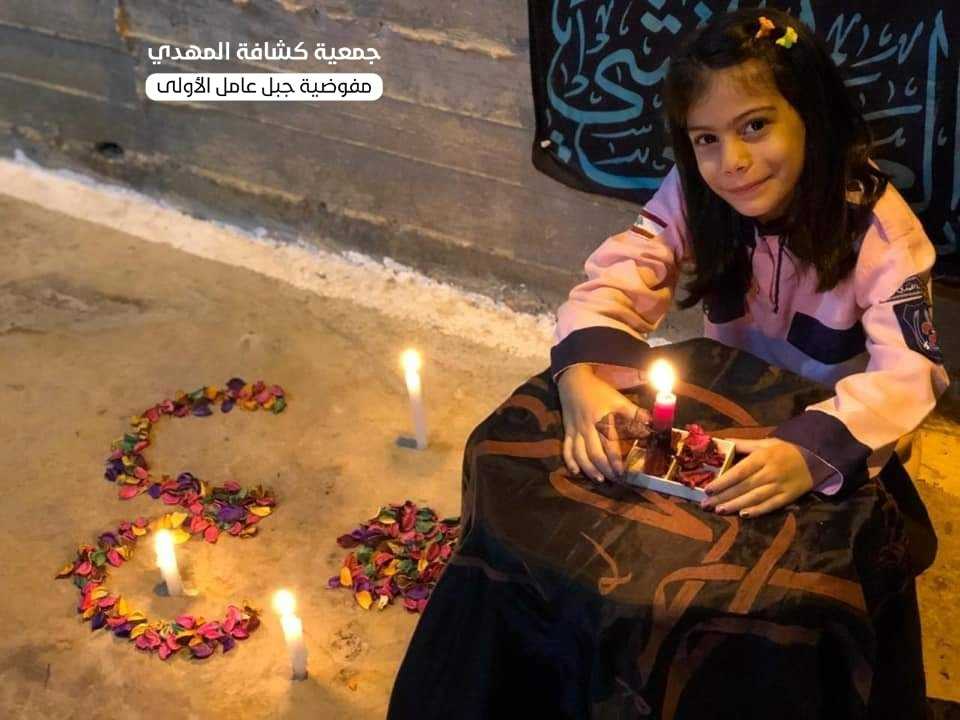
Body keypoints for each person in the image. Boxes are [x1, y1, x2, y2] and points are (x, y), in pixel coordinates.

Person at [553, 7, 950, 519]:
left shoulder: (879, 228)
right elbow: (622, 271)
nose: (732, 162)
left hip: (836, 432)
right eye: (707, 139)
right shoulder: (697, 192)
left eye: (756, 125)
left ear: (812, 115)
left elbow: (910, 371)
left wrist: (809, 453)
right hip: (733, 406)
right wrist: (579, 376)